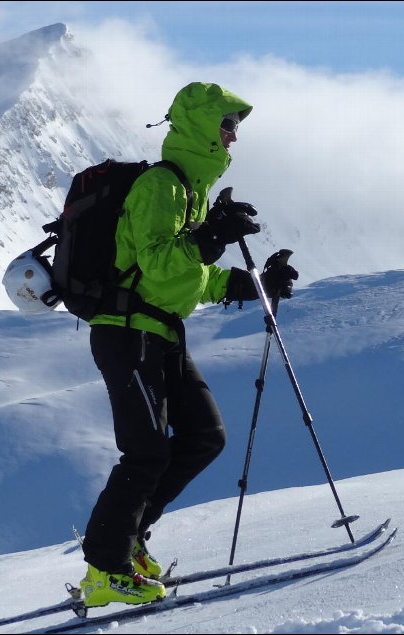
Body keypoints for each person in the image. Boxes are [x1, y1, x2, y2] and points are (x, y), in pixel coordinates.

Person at [78, 82, 299, 607]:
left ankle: (128, 543)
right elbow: (157, 261)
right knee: (146, 451)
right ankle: (103, 570)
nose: (232, 138)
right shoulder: (161, 185)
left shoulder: (190, 193)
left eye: (235, 129)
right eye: (226, 126)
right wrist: (211, 237)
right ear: (201, 127)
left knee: (204, 436)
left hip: (160, 332)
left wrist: (249, 284)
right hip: (126, 332)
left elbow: (184, 279)